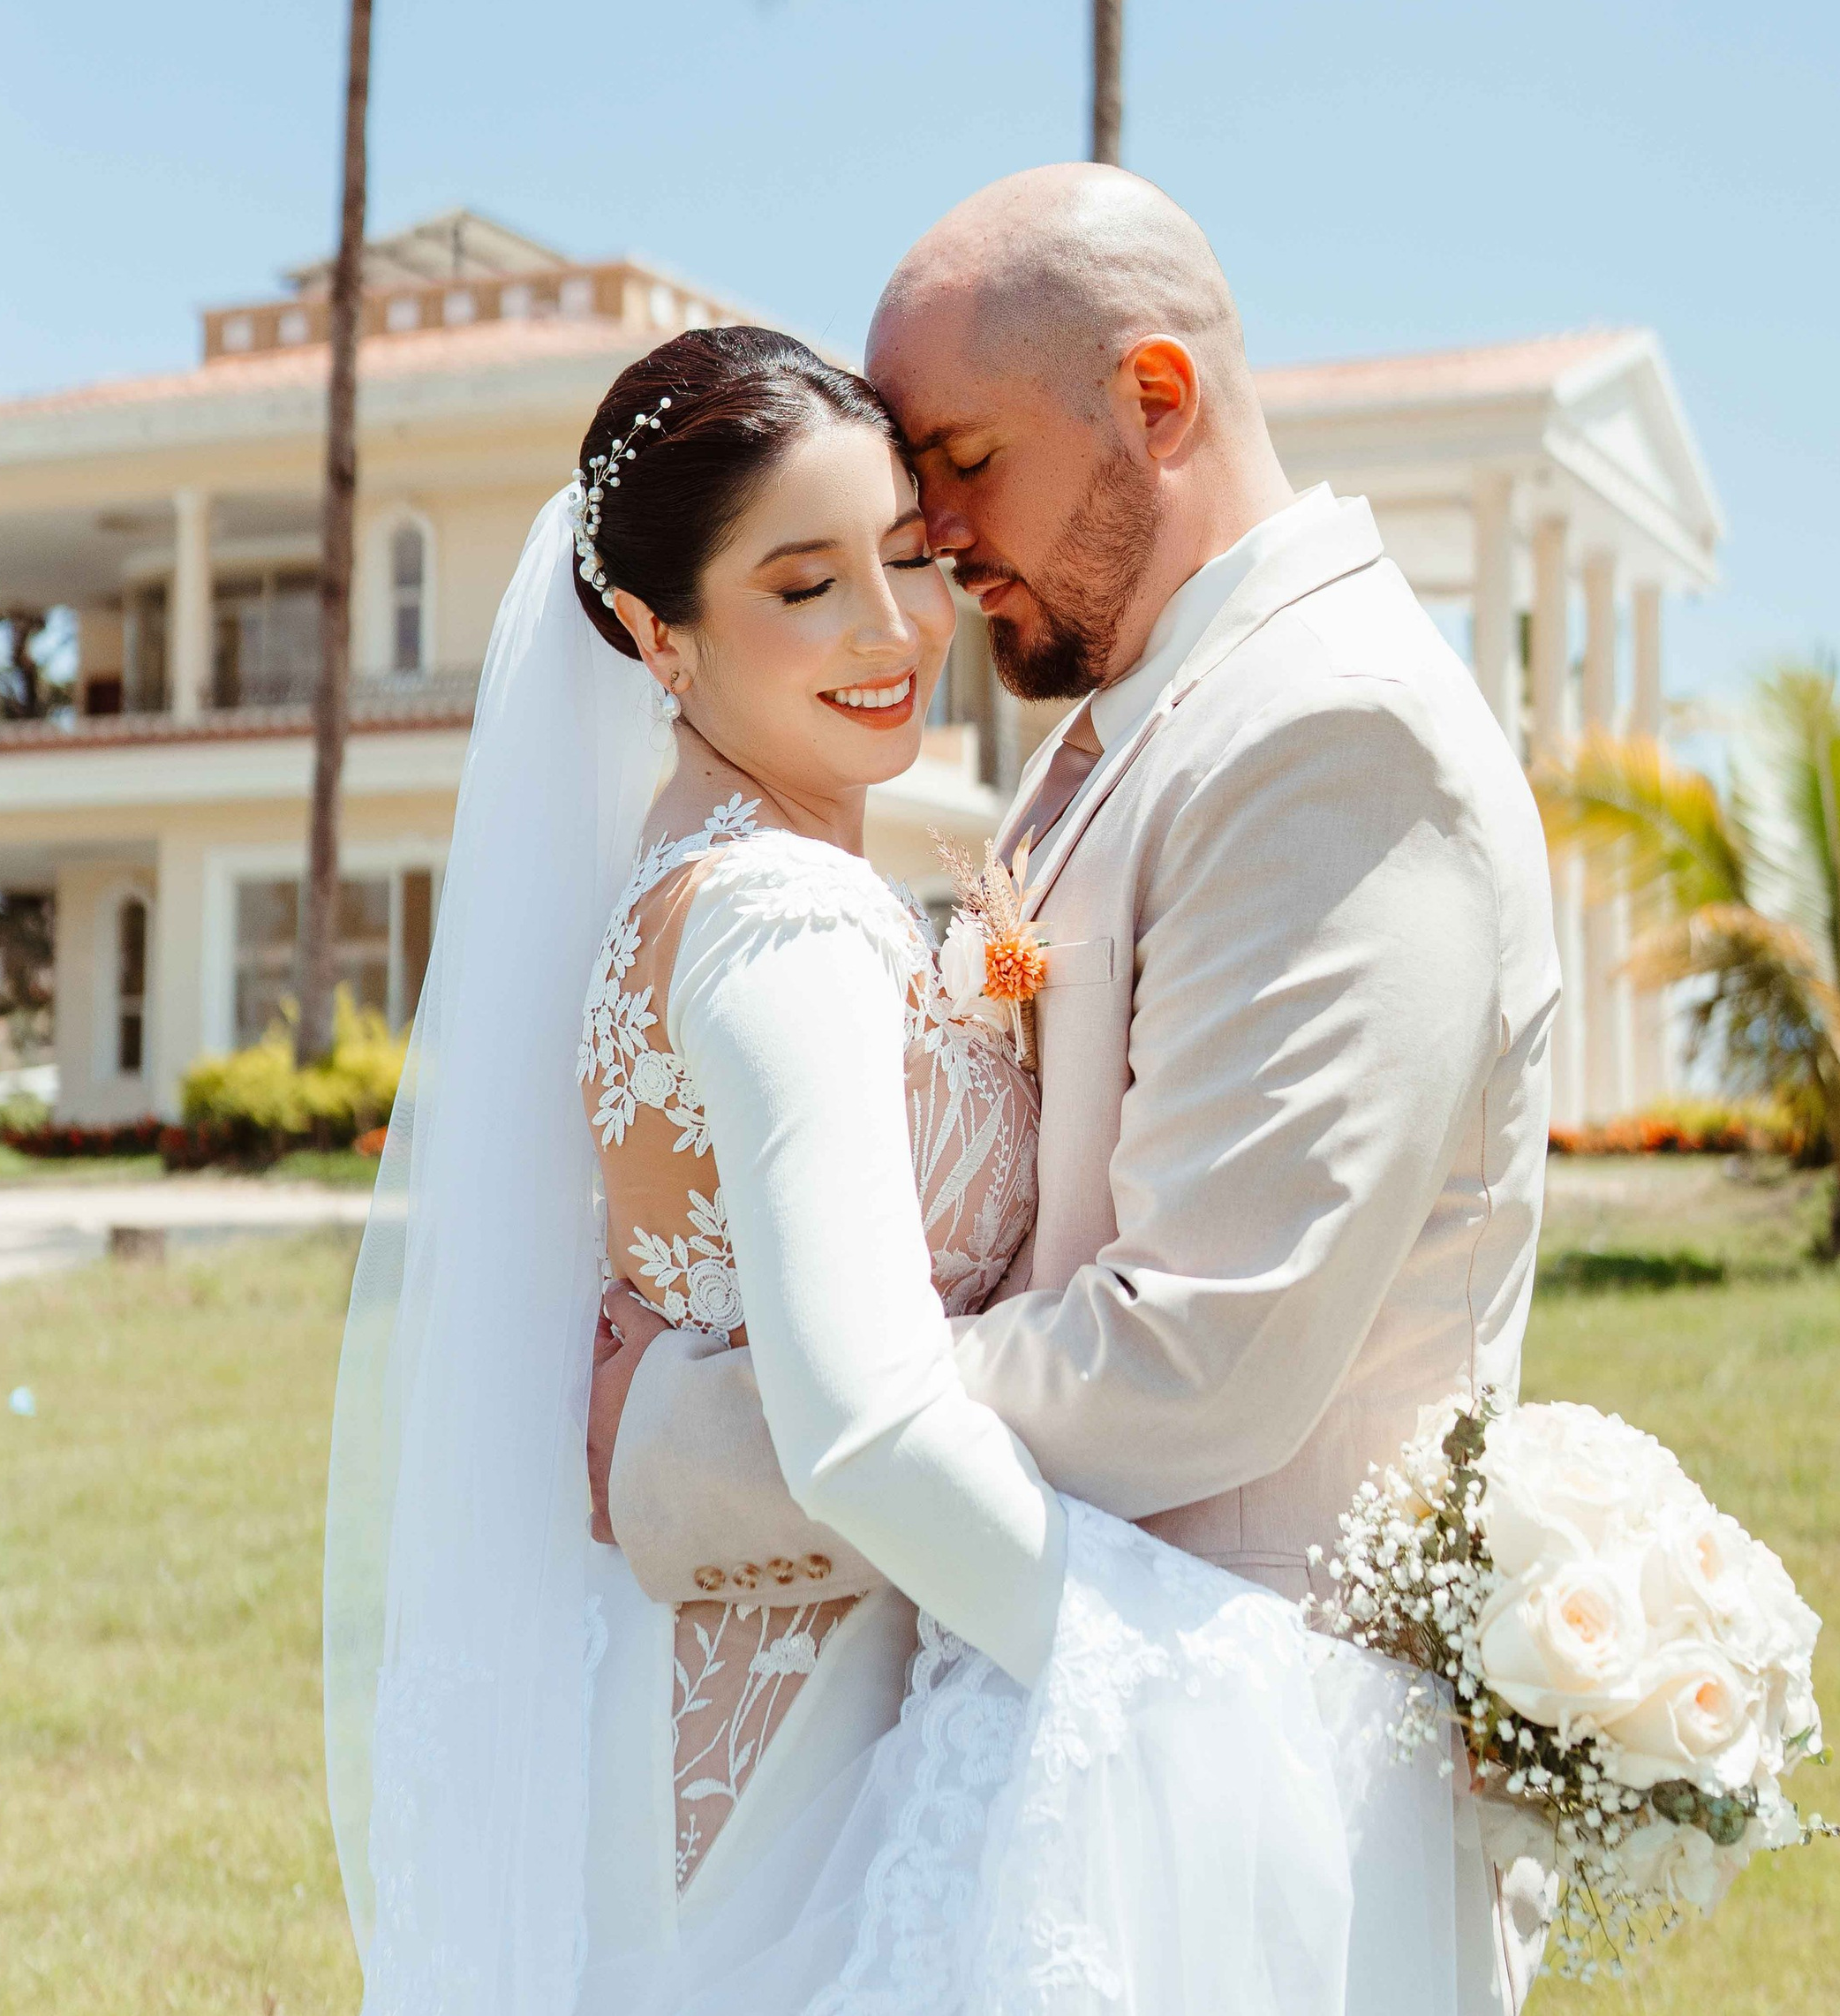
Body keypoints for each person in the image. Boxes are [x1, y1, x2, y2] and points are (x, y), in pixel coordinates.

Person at [328, 313, 1460, 2015]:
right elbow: (857, 1424)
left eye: (914, 558)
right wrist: (1164, 1667)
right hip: (784, 1777)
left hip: (767, 1691)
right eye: (803, 585)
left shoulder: (717, 876)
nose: (895, 631)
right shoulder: (784, 920)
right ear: (657, 634)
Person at [593, 166, 1561, 2012]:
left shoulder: (1328, 735)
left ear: (1157, 399)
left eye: (955, 459)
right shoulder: (1121, 724)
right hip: (1045, 1760)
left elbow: (1195, 1349)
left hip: (1248, 1801)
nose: (930, 539)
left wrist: (693, 1439)